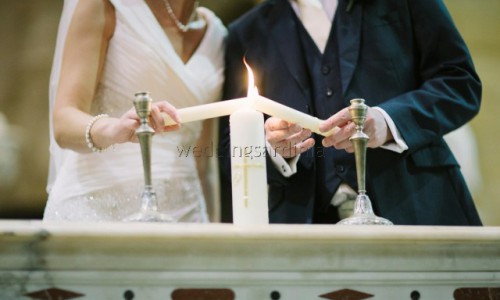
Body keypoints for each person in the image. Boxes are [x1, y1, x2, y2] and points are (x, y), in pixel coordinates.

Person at [218, 0, 483, 225]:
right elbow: (231, 148)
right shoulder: (246, 32)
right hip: (305, 234)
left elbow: (460, 82)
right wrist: (275, 150)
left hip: (419, 209)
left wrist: (389, 122)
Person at [44, 0, 226, 222]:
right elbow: (64, 122)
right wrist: (113, 128)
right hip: (97, 207)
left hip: (186, 214)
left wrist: (213, 227)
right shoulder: (106, 6)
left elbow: (203, 157)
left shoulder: (217, 34)